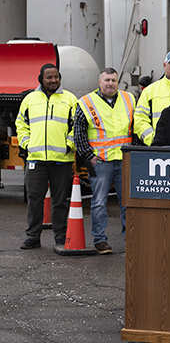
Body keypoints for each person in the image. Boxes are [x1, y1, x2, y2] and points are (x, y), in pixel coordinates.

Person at [15, 64, 79, 250]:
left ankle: (60, 237)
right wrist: (26, 144)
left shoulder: (70, 99)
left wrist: (69, 145)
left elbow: (77, 126)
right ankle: (33, 237)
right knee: (34, 200)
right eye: (49, 77)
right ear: (40, 79)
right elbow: (21, 123)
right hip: (36, 160)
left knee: (59, 202)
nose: (53, 80)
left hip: (62, 160)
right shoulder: (30, 99)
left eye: (56, 77)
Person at [74, 68, 136, 255]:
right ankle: (100, 240)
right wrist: (89, 157)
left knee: (127, 202)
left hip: (125, 159)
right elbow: (78, 133)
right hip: (101, 162)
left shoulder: (129, 99)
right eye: (107, 80)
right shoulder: (86, 102)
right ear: (99, 82)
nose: (110, 83)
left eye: (114, 80)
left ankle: (130, 238)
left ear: (119, 82)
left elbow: (136, 127)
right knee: (99, 202)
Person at [133, 50, 170, 145]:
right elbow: (140, 120)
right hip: (160, 149)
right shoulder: (150, 91)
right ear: (165, 66)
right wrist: (153, 140)